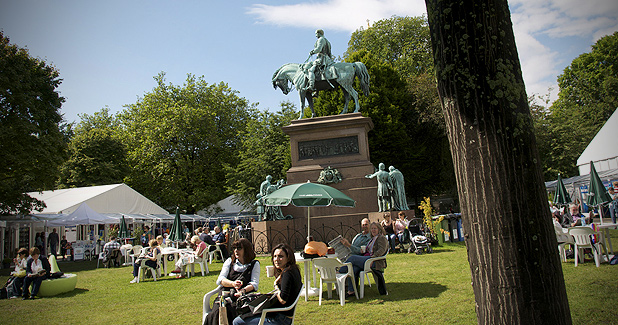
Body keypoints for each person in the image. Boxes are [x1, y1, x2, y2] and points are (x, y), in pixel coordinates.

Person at [233, 243, 302, 325]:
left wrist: (276, 286)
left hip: (280, 319)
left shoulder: (287, 273)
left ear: (288, 257)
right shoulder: (293, 270)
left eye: (280, 256)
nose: (276, 259)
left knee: (237, 321)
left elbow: (283, 300)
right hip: (284, 315)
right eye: (275, 256)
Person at [204, 238, 260, 325]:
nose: (236, 251)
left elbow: (254, 283)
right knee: (218, 311)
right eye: (234, 248)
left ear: (246, 249)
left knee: (235, 311)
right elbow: (221, 279)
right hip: (226, 294)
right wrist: (233, 283)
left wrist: (243, 290)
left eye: (239, 248)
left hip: (243, 296)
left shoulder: (254, 264)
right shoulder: (229, 261)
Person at [340, 222, 388, 297]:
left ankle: (340, 270)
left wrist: (372, 258)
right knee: (353, 268)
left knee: (352, 258)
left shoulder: (381, 238)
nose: (373, 230)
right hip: (367, 259)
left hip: (375, 261)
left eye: (375, 228)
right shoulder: (373, 239)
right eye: (372, 228)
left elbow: (382, 250)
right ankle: (351, 291)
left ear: (379, 229)